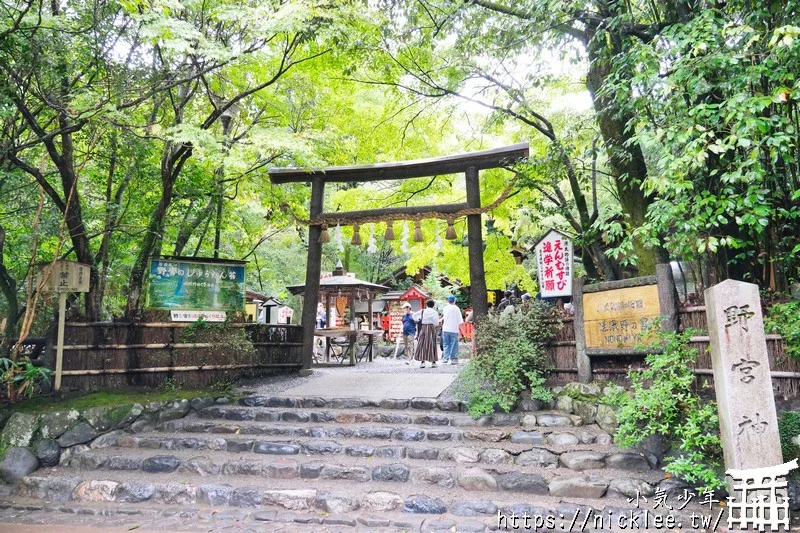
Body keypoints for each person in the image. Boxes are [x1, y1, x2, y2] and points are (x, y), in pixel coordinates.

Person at [413, 299, 440, 368]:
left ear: (426, 305)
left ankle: (422, 362)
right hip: (431, 327)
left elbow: (414, 315)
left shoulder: (423, 311)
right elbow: (436, 323)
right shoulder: (435, 312)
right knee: (432, 344)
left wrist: (419, 319)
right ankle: (433, 362)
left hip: (424, 327)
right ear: (433, 305)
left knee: (422, 344)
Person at [441, 295, 463, 365]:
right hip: (454, 329)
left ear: (448, 301)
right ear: (454, 301)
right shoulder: (456, 308)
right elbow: (460, 321)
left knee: (446, 344)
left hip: (445, 329)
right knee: (454, 344)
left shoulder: (445, 308)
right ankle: (454, 359)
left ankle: (445, 358)